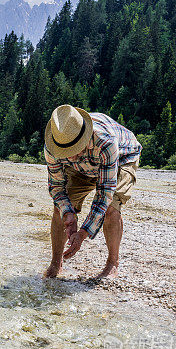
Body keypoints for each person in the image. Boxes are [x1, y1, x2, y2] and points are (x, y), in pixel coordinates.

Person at [44, 105, 142, 280]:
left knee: (111, 209)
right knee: (59, 209)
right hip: (83, 167)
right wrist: (68, 213)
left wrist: (83, 233)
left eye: (74, 150)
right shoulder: (53, 146)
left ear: (85, 137)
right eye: (66, 153)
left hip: (122, 157)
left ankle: (113, 263)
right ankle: (55, 263)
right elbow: (57, 187)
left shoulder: (105, 141)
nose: (71, 156)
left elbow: (105, 193)